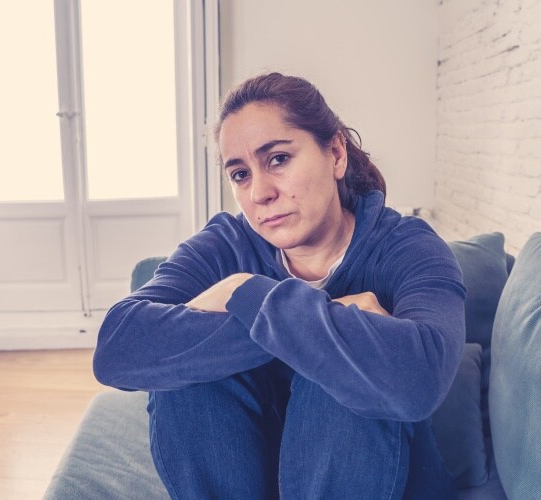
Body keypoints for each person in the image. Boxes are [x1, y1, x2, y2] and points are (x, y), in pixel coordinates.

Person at [93, 72, 466, 499]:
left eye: (278, 160)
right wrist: (320, 318)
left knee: (342, 375)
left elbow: (419, 380)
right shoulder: (226, 246)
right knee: (190, 382)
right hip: (254, 480)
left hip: (381, 479)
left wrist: (245, 293)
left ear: (336, 154)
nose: (259, 193)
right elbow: (117, 348)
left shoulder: (408, 247)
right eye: (239, 174)